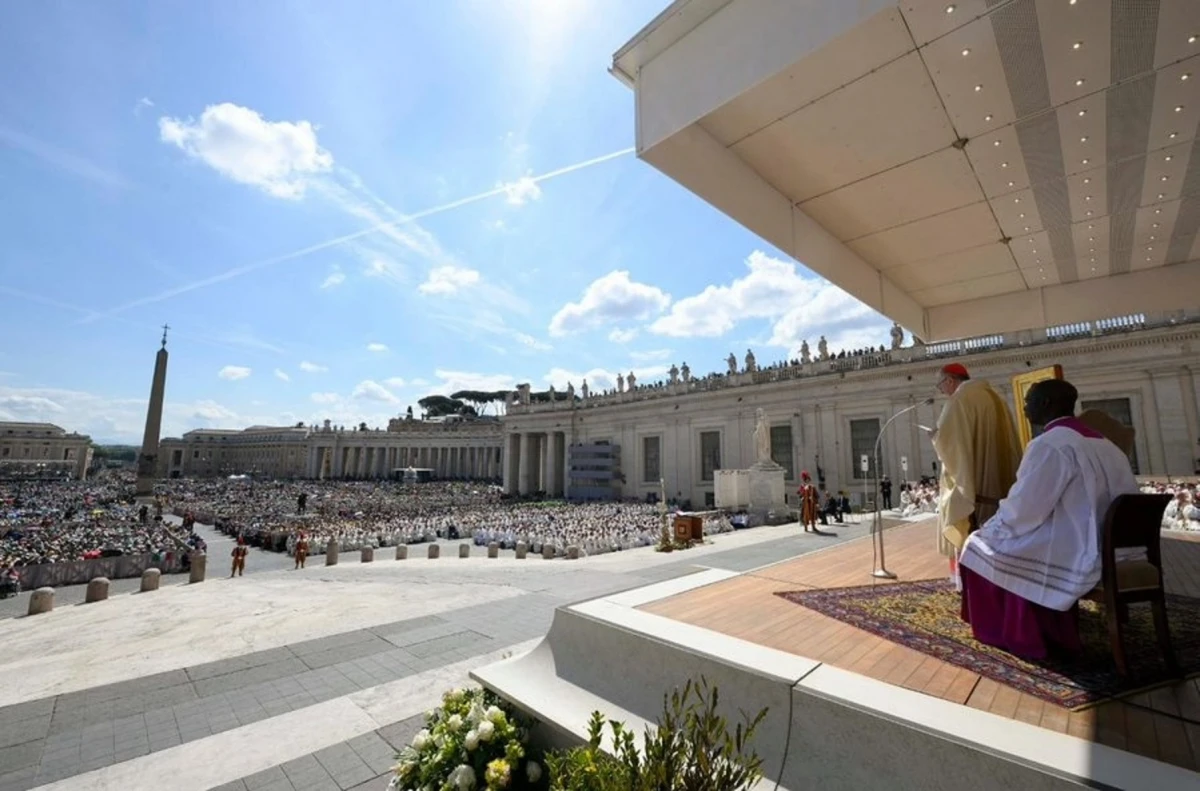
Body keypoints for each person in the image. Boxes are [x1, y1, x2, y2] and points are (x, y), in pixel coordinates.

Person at [958, 379, 1139, 659]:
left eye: (1028, 401)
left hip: (1081, 551)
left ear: (1045, 404)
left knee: (977, 545)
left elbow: (1025, 510)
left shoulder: (1050, 444)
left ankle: (1023, 633)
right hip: (1122, 550)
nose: (1025, 407)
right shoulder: (1108, 445)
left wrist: (990, 528)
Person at [931, 362, 1023, 575]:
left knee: (968, 534)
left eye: (940, 385)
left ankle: (970, 580)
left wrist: (935, 437)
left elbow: (949, 446)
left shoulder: (958, 401)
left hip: (976, 490)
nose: (941, 390)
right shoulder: (993, 396)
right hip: (1002, 487)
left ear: (950, 380)